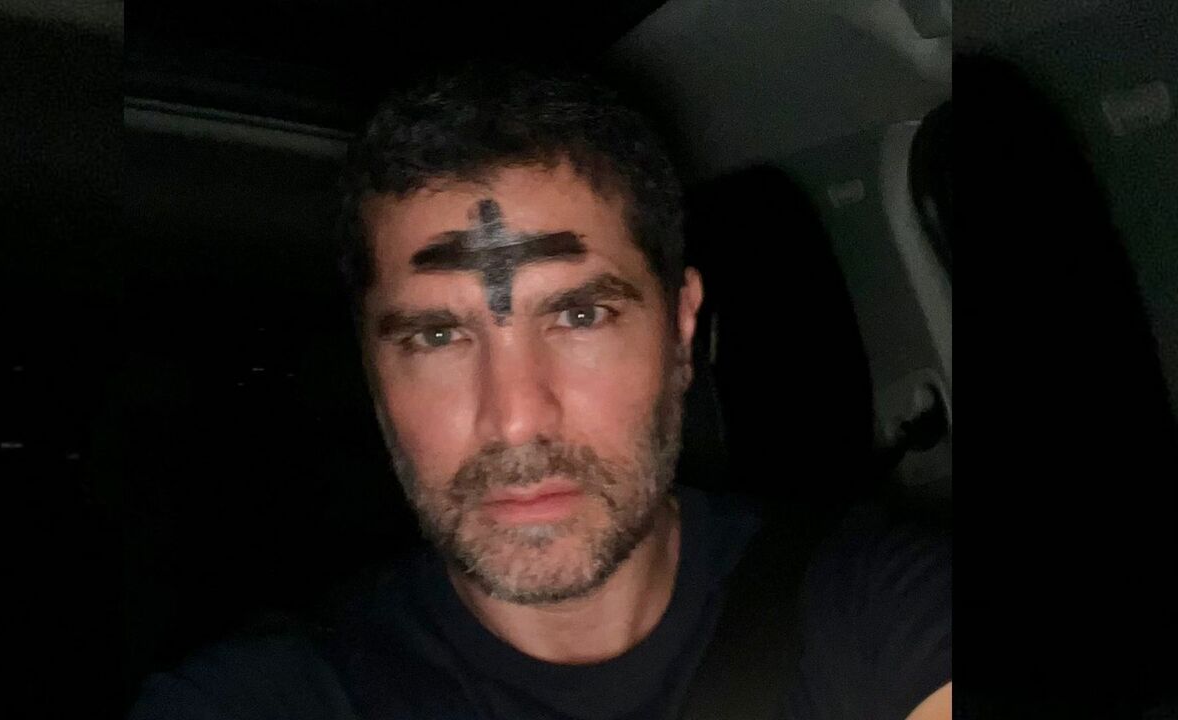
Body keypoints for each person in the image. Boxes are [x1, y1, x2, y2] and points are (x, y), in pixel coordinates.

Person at [129, 64, 951, 720]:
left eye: (580, 315)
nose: (516, 419)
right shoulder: (270, 694)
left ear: (681, 331)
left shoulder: (882, 615)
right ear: (373, 371)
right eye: (437, 336)